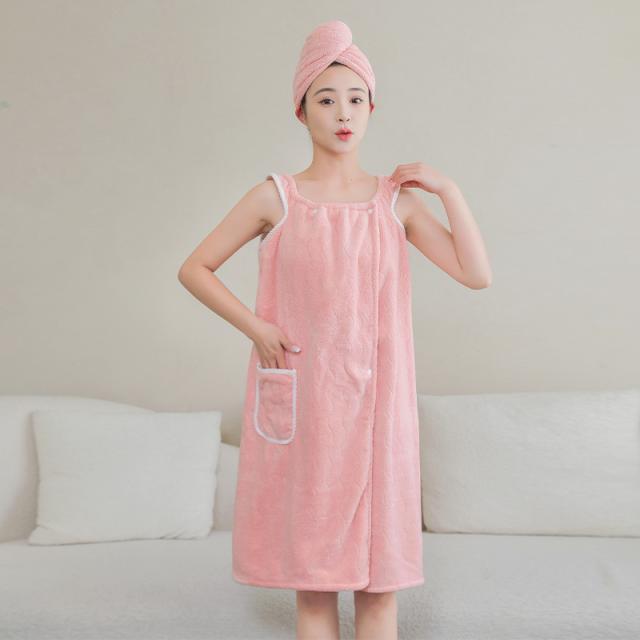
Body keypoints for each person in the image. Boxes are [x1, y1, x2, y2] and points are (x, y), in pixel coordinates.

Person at [178, 19, 492, 640]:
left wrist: (449, 190)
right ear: (301, 112)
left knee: (379, 594)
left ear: (372, 108)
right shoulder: (277, 197)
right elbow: (195, 268)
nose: (343, 113)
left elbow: (475, 274)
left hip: (380, 417)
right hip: (312, 413)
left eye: (355, 99)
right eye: (325, 100)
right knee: (316, 590)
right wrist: (256, 327)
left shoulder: (395, 202)